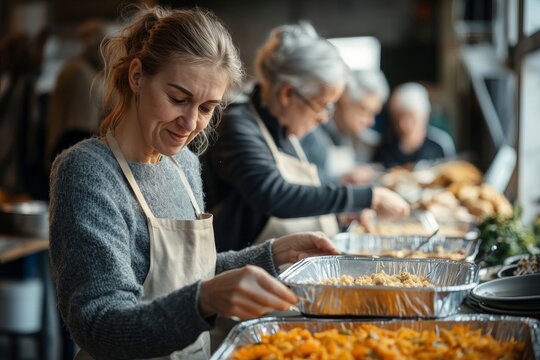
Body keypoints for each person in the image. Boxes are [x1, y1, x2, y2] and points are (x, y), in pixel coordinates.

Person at [49, 6, 339, 360]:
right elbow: (99, 323)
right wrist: (204, 300)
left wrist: (270, 256)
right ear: (137, 76)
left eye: (206, 108)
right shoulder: (88, 172)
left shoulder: (183, 164)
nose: (190, 123)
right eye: (178, 99)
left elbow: (189, 273)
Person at [203, 23, 410, 252]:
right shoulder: (238, 125)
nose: (324, 118)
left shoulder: (287, 128)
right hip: (237, 271)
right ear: (288, 94)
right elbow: (275, 195)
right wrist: (368, 197)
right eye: (321, 106)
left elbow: (308, 196)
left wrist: (341, 214)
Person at [302, 69, 389, 185]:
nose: (370, 121)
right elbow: (306, 186)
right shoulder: (311, 131)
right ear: (344, 98)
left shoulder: (351, 134)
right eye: (364, 110)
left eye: (373, 113)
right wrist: (342, 180)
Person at [46, 19, 110, 169]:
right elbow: (79, 128)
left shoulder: (81, 70)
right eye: (104, 44)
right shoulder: (80, 73)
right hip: (71, 157)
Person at [373, 82, 455, 168]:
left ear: (424, 116)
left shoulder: (440, 144)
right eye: (397, 118)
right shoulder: (384, 149)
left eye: (410, 117)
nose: (403, 125)